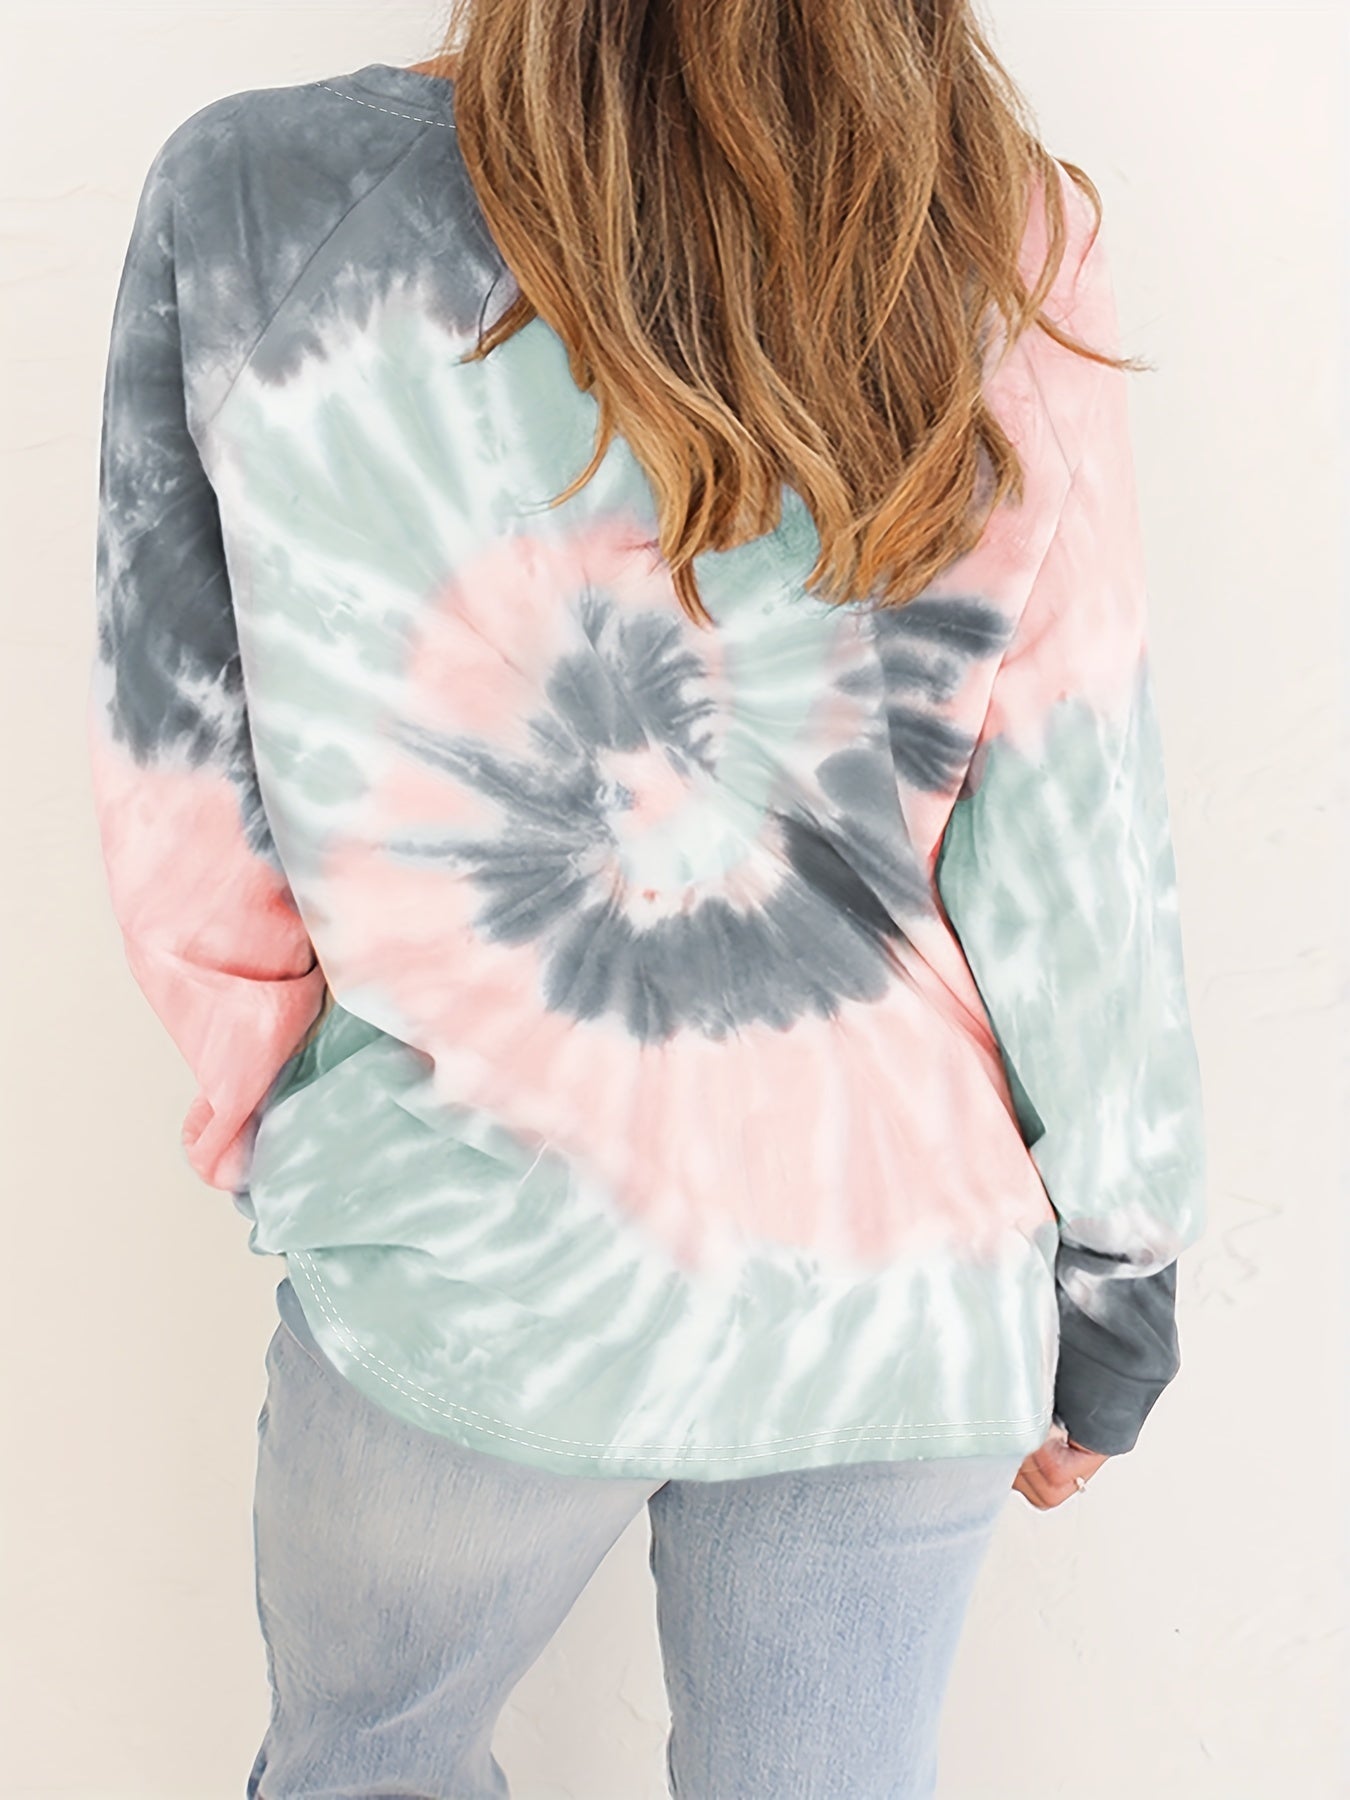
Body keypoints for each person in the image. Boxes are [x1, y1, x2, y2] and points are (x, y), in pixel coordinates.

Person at [87, 3, 1207, 1794]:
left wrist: (304, 1126)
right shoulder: (991, 228)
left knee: (366, 1768)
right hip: (893, 1272)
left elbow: (181, 764)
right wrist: (1115, 1269)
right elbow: (1074, 809)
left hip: (465, 1243)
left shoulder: (257, 195)